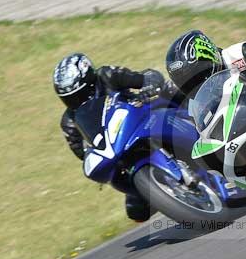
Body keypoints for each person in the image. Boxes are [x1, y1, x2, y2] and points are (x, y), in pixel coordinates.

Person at [53, 53, 179, 222]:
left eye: (79, 94)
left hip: (143, 117)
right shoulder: (69, 122)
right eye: (69, 99)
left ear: (89, 80)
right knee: (136, 211)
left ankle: (206, 115)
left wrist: (149, 86)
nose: (76, 101)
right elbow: (82, 153)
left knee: (170, 89)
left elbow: (145, 77)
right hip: (120, 150)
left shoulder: (107, 75)